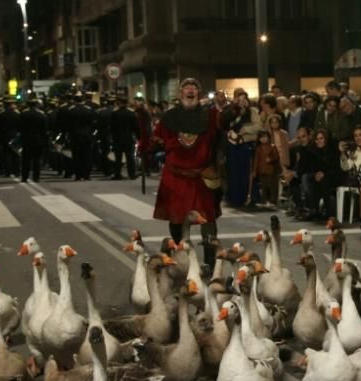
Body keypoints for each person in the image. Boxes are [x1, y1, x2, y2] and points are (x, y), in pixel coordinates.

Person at [152, 78, 220, 263]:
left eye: (194, 88)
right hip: (175, 177)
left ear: (199, 93)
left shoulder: (210, 115)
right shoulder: (169, 117)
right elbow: (157, 139)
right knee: (176, 218)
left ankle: (210, 261)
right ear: (180, 93)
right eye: (186, 88)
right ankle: (181, 255)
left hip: (201, 176)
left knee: (208, 219)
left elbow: (223, 126)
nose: (190, 90)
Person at [223, 88, 262, 206]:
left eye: (244, 99)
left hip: (246, 145)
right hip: (233, 146)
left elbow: (258, 126)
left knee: (246, 172)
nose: (242, 101)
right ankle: (235, 198)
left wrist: (244, 130)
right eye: (239, 99)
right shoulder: (233, 112)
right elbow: (226, 124)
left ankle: (249, 197)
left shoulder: (253, 112)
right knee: (234, 172)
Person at [298, 129, 340, 220]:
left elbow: (335, 168)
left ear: (325, 139)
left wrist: (323, 173)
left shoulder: (333, 151)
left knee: (324, 180)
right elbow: (313, 167)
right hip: (320, 175)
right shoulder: (314, 151)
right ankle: (314, 209)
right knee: (312, 180)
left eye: (321, 138)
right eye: (317, 139)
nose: (319, 141)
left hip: (333, 175)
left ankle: (327, 211)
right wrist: (317, 174)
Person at [19, 96, 48, 183]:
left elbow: (20, 128)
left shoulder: (23, 114)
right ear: (36, 104)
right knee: (37, 160)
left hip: (26, 140)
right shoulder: (41, 114)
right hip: (38, 140)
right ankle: (36, 177)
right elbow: (44, 129)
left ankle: (24, 177)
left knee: (26, 160)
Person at [110, 92, 138, 180]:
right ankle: (132, 174)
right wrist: (138, 136)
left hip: (117, 138)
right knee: (130, 157)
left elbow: (112, 127)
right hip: (129, 138)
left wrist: (112, 136)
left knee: (118, 158)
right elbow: (136, 126)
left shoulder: (115, 113)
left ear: (119, 103)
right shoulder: (131, 113)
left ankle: (117, 174)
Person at [69, 93, 96, 180]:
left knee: (76, 156)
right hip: (87, 135)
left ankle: (78, 175)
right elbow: (92, 123)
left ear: (74, 101)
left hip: (75, 135)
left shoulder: (71, 110)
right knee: (87, 155)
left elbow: (69, 124)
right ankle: (87, 175)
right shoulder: (88, 110)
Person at [252, 130, 280, 209]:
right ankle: (264, 201)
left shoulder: (272, 146)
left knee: (272, 186)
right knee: (263, 186)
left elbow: (276, 156)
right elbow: (256, 160)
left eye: (265, 137)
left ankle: (273, 201)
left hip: (271, 169)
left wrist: (270, 159)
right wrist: (254, 171)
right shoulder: (258, 148)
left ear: (268, 137)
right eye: (261, 137)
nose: (263, 139)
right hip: (262, 170)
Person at [95, 93, 115, 177]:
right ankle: (114, 169)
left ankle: (106, 169)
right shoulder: (116, 111)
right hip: (114, 135)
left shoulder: (101, 112)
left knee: (105, 152)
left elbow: (97, 125)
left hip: (104, 135)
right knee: (115, 153)